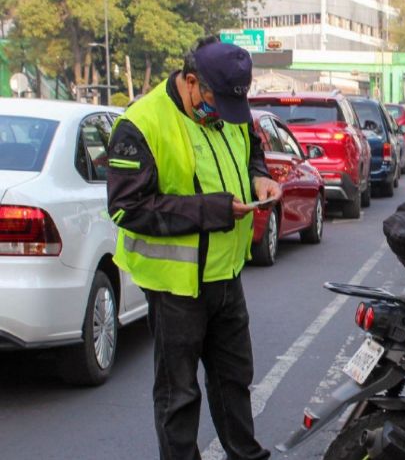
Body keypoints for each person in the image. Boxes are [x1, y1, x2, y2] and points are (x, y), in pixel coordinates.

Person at [106, 36, 279, 460]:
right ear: (189, 81)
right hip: (176, 289)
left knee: (234, 381)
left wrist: (260, 176)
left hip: (226, 276)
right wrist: (213, 210)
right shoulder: (141, 123)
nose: (222, 115)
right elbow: (127, 209)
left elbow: (251, 148)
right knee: (179, 397)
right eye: (214, 102)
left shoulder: (228, 106)